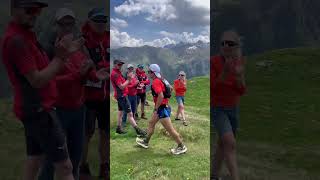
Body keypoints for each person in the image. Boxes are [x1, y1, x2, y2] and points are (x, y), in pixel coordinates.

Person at [1, 1, 83, 179]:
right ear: (14, 10)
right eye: (29, 10)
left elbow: (46, 69)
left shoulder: (25, 36)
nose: (35, 14)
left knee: (34, 159)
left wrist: (65, 55)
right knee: (65, 167)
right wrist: (62, 57)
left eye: (37, 10)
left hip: (32, 108)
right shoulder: (17, 41)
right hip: (40, 110)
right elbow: (37, 80)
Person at [37, 8, 109, 180]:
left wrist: (94, 75)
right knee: (54, 158)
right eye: (63, 24)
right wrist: (78, 75)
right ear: (56, 25)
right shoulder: (50, 48)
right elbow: (49, 80)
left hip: (78, 108)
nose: (67, 27)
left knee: (75, 158)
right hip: (59, 109)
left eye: (70, 23)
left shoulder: (77, 47)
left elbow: (85, 67)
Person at [211, 30, 246, 180]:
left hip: (233, 108)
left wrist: (238, 77)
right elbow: (212, 87)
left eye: (230, 43)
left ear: (236, 46)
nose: (225, 45)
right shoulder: (213, 62)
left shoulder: (239, 63)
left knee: (222, 144)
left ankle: (213, 176)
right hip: (218, 109)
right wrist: (225, 72)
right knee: (230, 143)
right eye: (223, 43)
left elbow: (241, 90)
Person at [79, 8, 110, 179]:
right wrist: (99, 70)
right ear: (90, 21)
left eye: (103, 20)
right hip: (88, 96)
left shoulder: (110, 38)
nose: (100, 24)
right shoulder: (83, 40)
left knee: (105, 132)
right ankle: (83, 166)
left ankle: (104, 166)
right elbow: (82, 64)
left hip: (106, 96)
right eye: (97, 21)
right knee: (87, 132)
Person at [136, 64, 187, 155]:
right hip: (164, 106)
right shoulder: (163, 79)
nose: (148, 74)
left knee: (170, 130)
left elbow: (161, 95)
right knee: (151, 123)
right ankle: (145, 142)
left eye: (149, 72)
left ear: (153, 72)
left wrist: (156, 108)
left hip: (161, 109)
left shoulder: (156, 81)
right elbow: (170, 89)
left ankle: (181, 146)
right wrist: (166, 100)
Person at [111, 59, 147, 136]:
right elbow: (121, 87)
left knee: (120, 112)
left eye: (121, 64)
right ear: (114, 65)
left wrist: (129, 80)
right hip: (122, 96)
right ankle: (138, 131)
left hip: (120, 95)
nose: (120, 66)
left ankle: (118, 128)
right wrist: (129, 79)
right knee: (130, 114)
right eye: (118, 64)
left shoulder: (117, 73)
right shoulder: (115, 74)